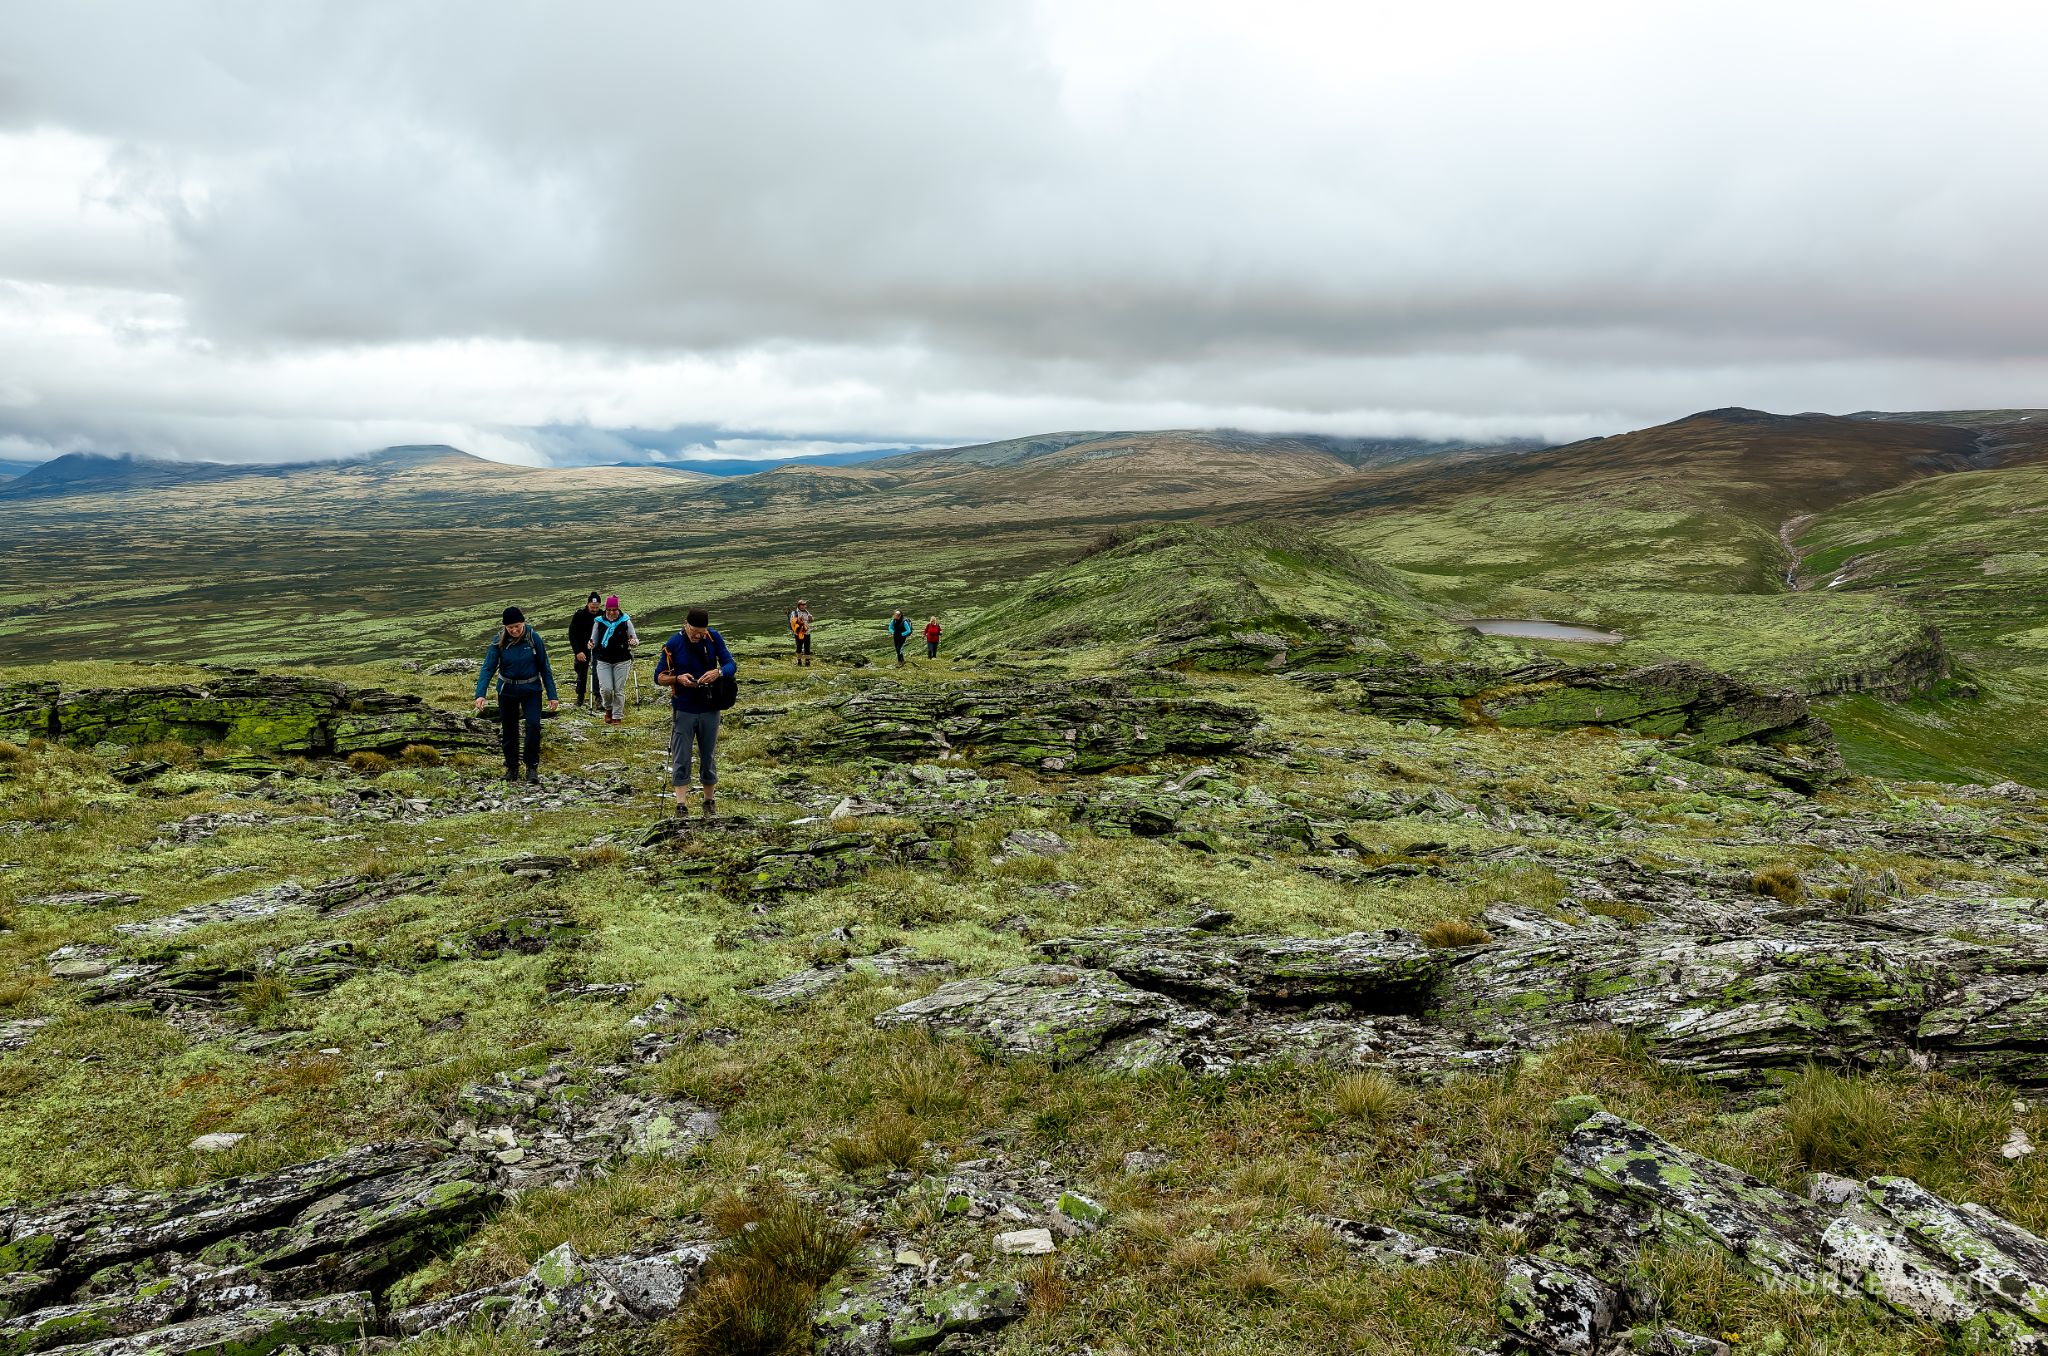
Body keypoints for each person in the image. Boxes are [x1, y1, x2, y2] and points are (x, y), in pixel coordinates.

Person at [654, 607, 737, 819]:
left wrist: (717, 672)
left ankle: (709, 802)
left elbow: (730, 664)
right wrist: (678, 679)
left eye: (702, 632)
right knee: (681, 756)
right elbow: (659, 677)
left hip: (710, 707)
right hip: (684, 708)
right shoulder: (673, 644)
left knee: (708, 755)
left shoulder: (714, 637)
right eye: (695, 632)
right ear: (686, 624)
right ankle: (681, 805)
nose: (699, 636)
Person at [473, 606, 559, 782]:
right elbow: (488, 668)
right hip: (507, 691)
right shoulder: (499, 641)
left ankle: (532, 767)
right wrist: (480, 694)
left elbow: (545, 667)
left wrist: (552, 695)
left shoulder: (533, 638)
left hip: (532, 690)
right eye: (510, 627)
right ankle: (512, 768)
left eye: (517, 626)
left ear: (523, 623)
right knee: (509, 730)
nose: (513, 630)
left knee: (533, 726)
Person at [589, 595, 639, 725]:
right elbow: (593, 639)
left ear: (618, 609)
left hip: (622, 660)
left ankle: (617, 715)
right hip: (603, 659)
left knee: (619, 689)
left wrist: (633, 642)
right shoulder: (599, 621)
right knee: (605, 689)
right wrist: (591, 644)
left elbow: (634, 639)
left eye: (614, 609)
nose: (611, 612)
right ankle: (608, 708)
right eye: (609, 609)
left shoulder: (625, 621)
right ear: (605, 609)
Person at [566, 592, 601, 707]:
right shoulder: (579, 615)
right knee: (581, 672)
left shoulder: (602, 615)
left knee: (598, 671)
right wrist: (577, 651)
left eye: (597, 607)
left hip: (597, 648)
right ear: (587, 604)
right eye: (592, 607)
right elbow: (572, 634)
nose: (594, 610)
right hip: (581, 649)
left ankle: (598, 696)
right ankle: (580, 696)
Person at [788, 599, 813, 668]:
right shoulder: (794, 613)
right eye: (802, 605)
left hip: (807, 632)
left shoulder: (807, 612)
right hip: (798, 633)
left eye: (804, 605)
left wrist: (811, 618)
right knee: (799, 647)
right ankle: (799, 661)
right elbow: (792, 622)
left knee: (807, 647)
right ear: (799, 606)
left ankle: (807, 661)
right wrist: (799, 621)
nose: (804, 606)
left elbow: (810, 621)